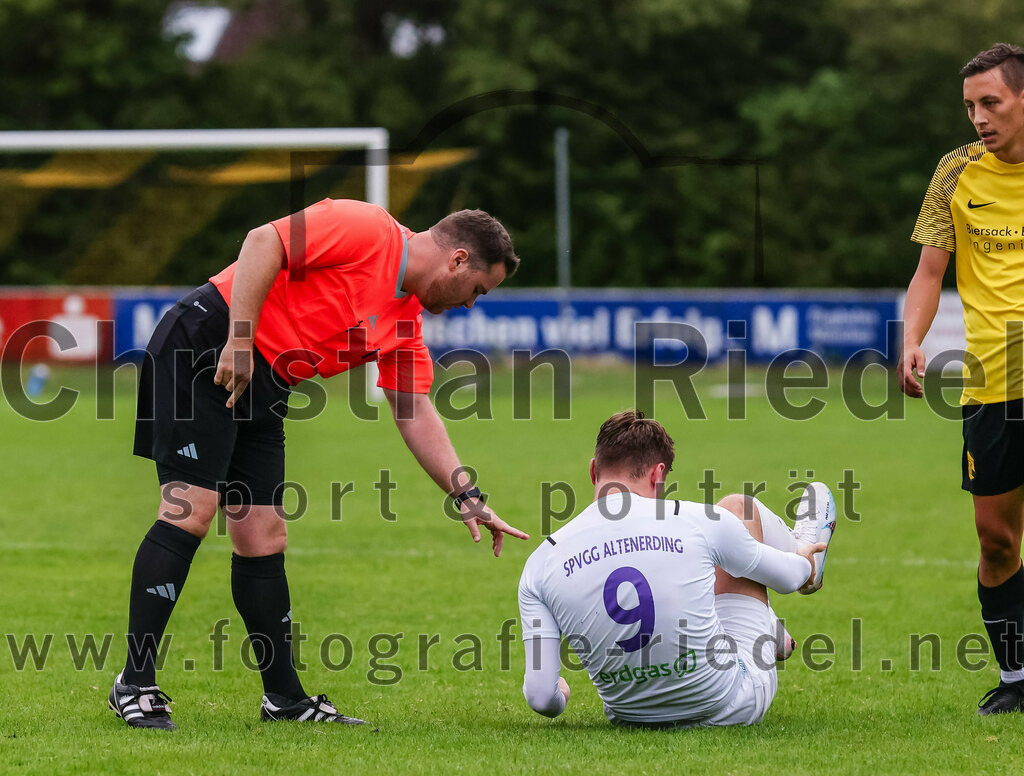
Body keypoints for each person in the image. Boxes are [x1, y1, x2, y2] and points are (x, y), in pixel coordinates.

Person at [109, 198, 529, 730]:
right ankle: (135, 684)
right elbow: (264, 240)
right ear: (458, 260)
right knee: (191, 510)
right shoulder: (368, 228)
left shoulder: (405, 322)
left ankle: (283, 699)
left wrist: (466, 495)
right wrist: (239, 339)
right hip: (209, 342)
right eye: (477, 291)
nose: (471, 304)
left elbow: (414, 410)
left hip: (267, 379)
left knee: (263, 534)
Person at [517, 411, 834, 727]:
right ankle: (801, 548)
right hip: (730, 703)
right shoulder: (698, 520)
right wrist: (804, 564)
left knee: (702, 564)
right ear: (657, 474)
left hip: (632, 718)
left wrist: (559, 696)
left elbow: (542, 697)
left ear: (592, 471)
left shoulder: (542, 561)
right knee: (738, 509)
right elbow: (787, 579)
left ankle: (770, 626)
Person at [899, 43, 1024, 715]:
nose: (978, 117)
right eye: (971, 106)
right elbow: (929, 272)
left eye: (991, 103)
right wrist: (913, 340)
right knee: (997, 540)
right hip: (994, 387)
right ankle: (1017, 676)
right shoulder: (957, 172)